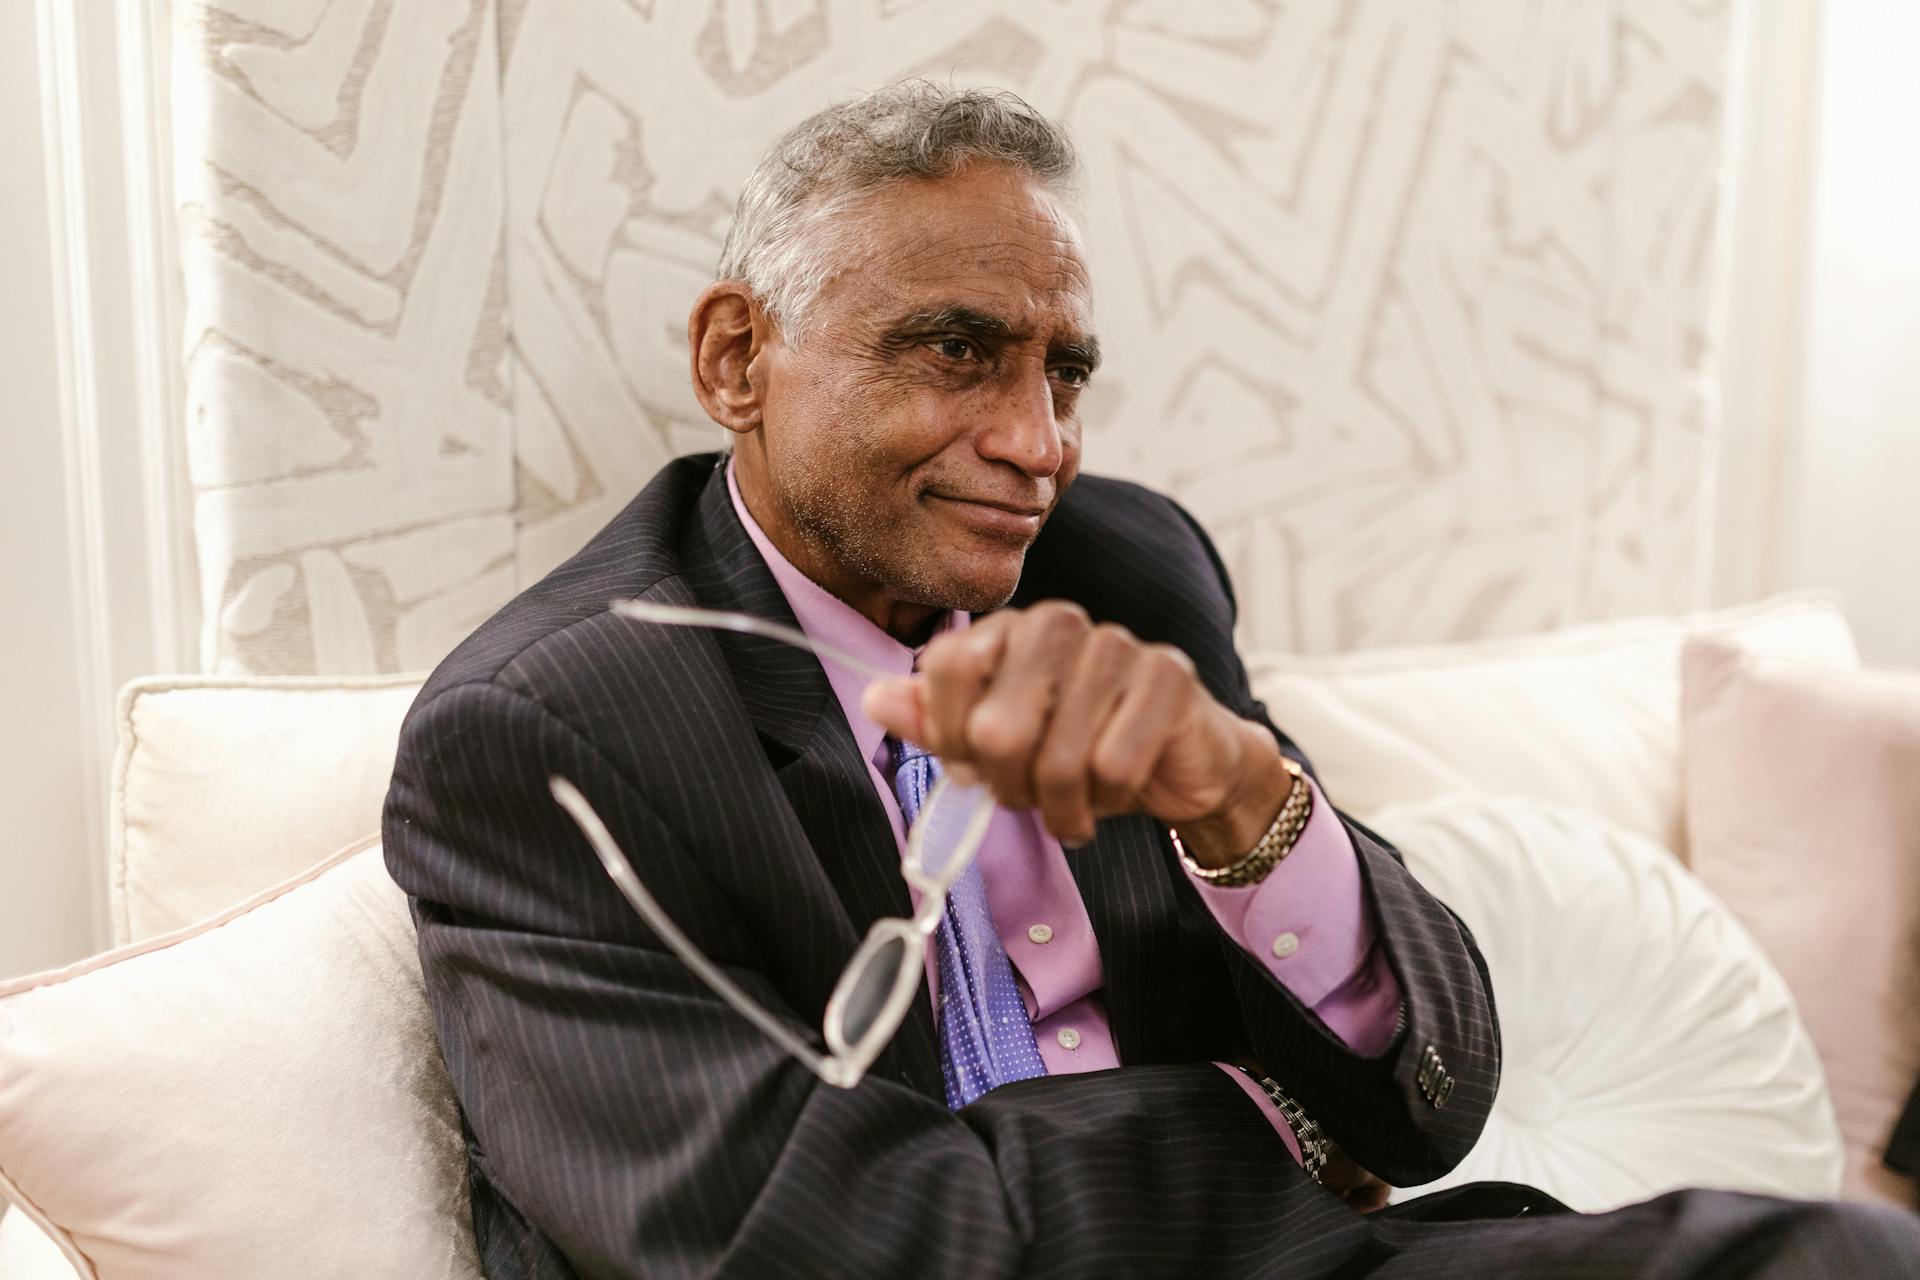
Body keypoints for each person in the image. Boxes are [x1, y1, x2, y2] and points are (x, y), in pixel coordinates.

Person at [382, 80, 1920, 1278]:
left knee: (1843, 1257)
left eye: (1064, 374)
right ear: (738, 360)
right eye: (957, 354)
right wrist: (1261, 1122)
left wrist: (1250, 805)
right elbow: (793, 1245)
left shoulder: (1125, 571)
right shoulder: (546, 731)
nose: (1040, 444)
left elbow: (1426, 1104)